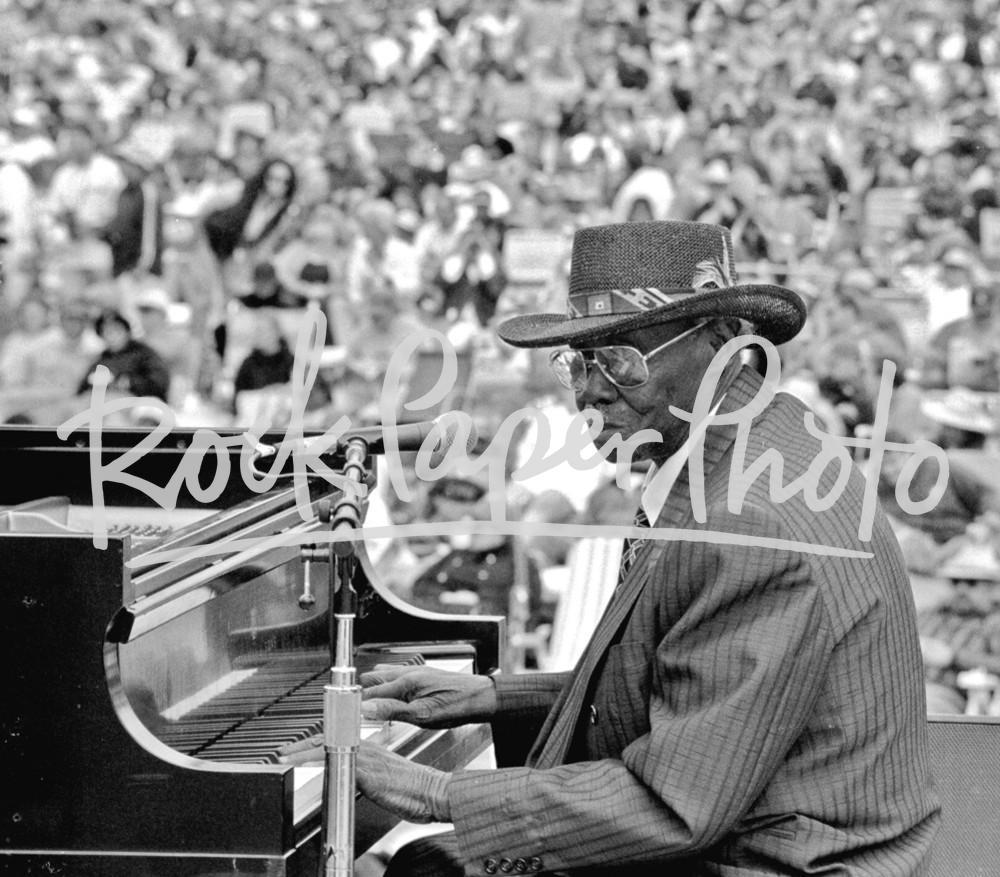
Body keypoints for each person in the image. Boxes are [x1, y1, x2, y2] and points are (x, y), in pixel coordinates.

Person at [282, 220, 939, 875]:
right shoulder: (750, 443)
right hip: (759, 829)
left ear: (721, 342)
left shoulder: (749, 522)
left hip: (782, 861)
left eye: (620, 357)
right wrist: (492, 695)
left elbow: (672, 801)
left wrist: (435, 791)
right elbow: (693, 686)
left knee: (425, 866)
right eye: (577, 360)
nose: (589, 391)